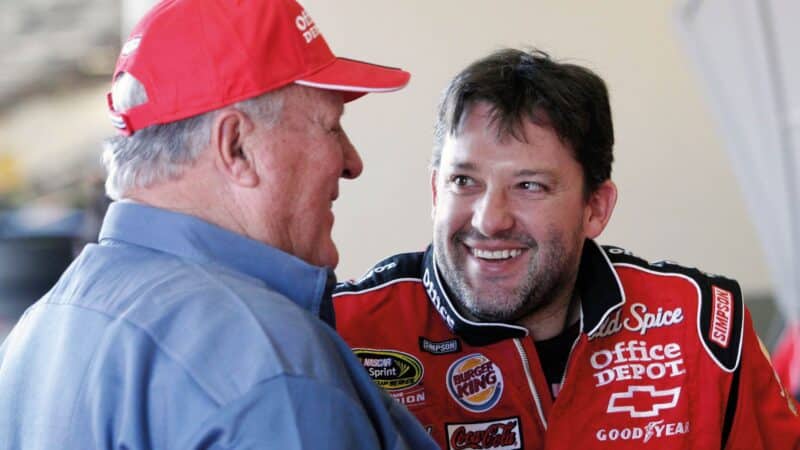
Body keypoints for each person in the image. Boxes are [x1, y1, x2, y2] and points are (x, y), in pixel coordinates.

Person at [0, 0, 438, 448]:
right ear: (237, 148)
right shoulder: (272, 366)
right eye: (331, 127)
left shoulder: (37, 333)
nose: (352, 162)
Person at [333, 48, 800, 449]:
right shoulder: (347, 333)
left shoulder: (700, 327)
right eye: (464, 181)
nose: (489, 220)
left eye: (529, 185)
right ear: (436, 192)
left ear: (595, 208)